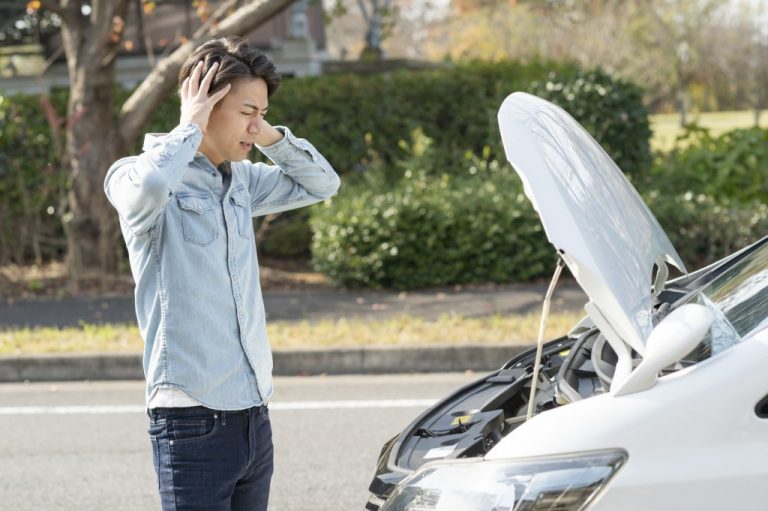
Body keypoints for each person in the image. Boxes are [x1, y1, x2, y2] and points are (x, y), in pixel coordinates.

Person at [104, 36, 340, 510]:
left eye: (264, 111)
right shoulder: (134, 174)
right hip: (190, 418)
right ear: (205, 100)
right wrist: (189, 123)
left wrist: (264, 132)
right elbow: (149, 185)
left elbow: (323, 182)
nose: (257, 125)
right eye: (247, 111)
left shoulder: (242, 180)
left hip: (253, 414)